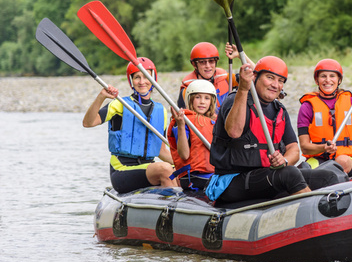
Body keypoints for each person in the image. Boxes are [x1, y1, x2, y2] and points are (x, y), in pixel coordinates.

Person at [206, 56, 339, 205]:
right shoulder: (236, 99)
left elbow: (294, 149)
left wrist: (284, 160)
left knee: (328, 176)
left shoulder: (279, 110)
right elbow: (234, 132)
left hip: (265, 176)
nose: (275, 85)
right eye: (270, 78)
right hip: (231, 181)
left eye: (280, 81)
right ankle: (316, 212)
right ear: (255, 77)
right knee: (290, 174)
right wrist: (243, 89)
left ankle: (334, 216)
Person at [82, 57, 177, 193]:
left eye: (146, 77)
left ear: (153, 79)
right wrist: (101, 97)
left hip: (147, 168)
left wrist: (185, 163)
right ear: (131, 81)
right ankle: (173, 207)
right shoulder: (120, 104)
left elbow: (161, 151)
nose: (142, 81)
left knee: (179, 172)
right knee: (166, 169)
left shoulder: (160, 110)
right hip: (122, 170)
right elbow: (88, 123)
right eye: (137, 77)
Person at [168, 80, 217, 190]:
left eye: (207, 98)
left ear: (212, 101)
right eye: (198, 97)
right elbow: (184, 155)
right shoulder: (183, 121)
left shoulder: (214, 122)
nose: (202, 102)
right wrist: (181, 125)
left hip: (213, 175)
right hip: (195, 177)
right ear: (190, 99)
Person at [178, 42, 239, 112]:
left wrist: (240, 55)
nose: (208, 66)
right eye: (202, 62)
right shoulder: (187, 90)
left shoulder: (226, 78)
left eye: (211, 61)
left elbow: (253, 79)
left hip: (227, 121)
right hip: (203, 122)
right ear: (194, 65)